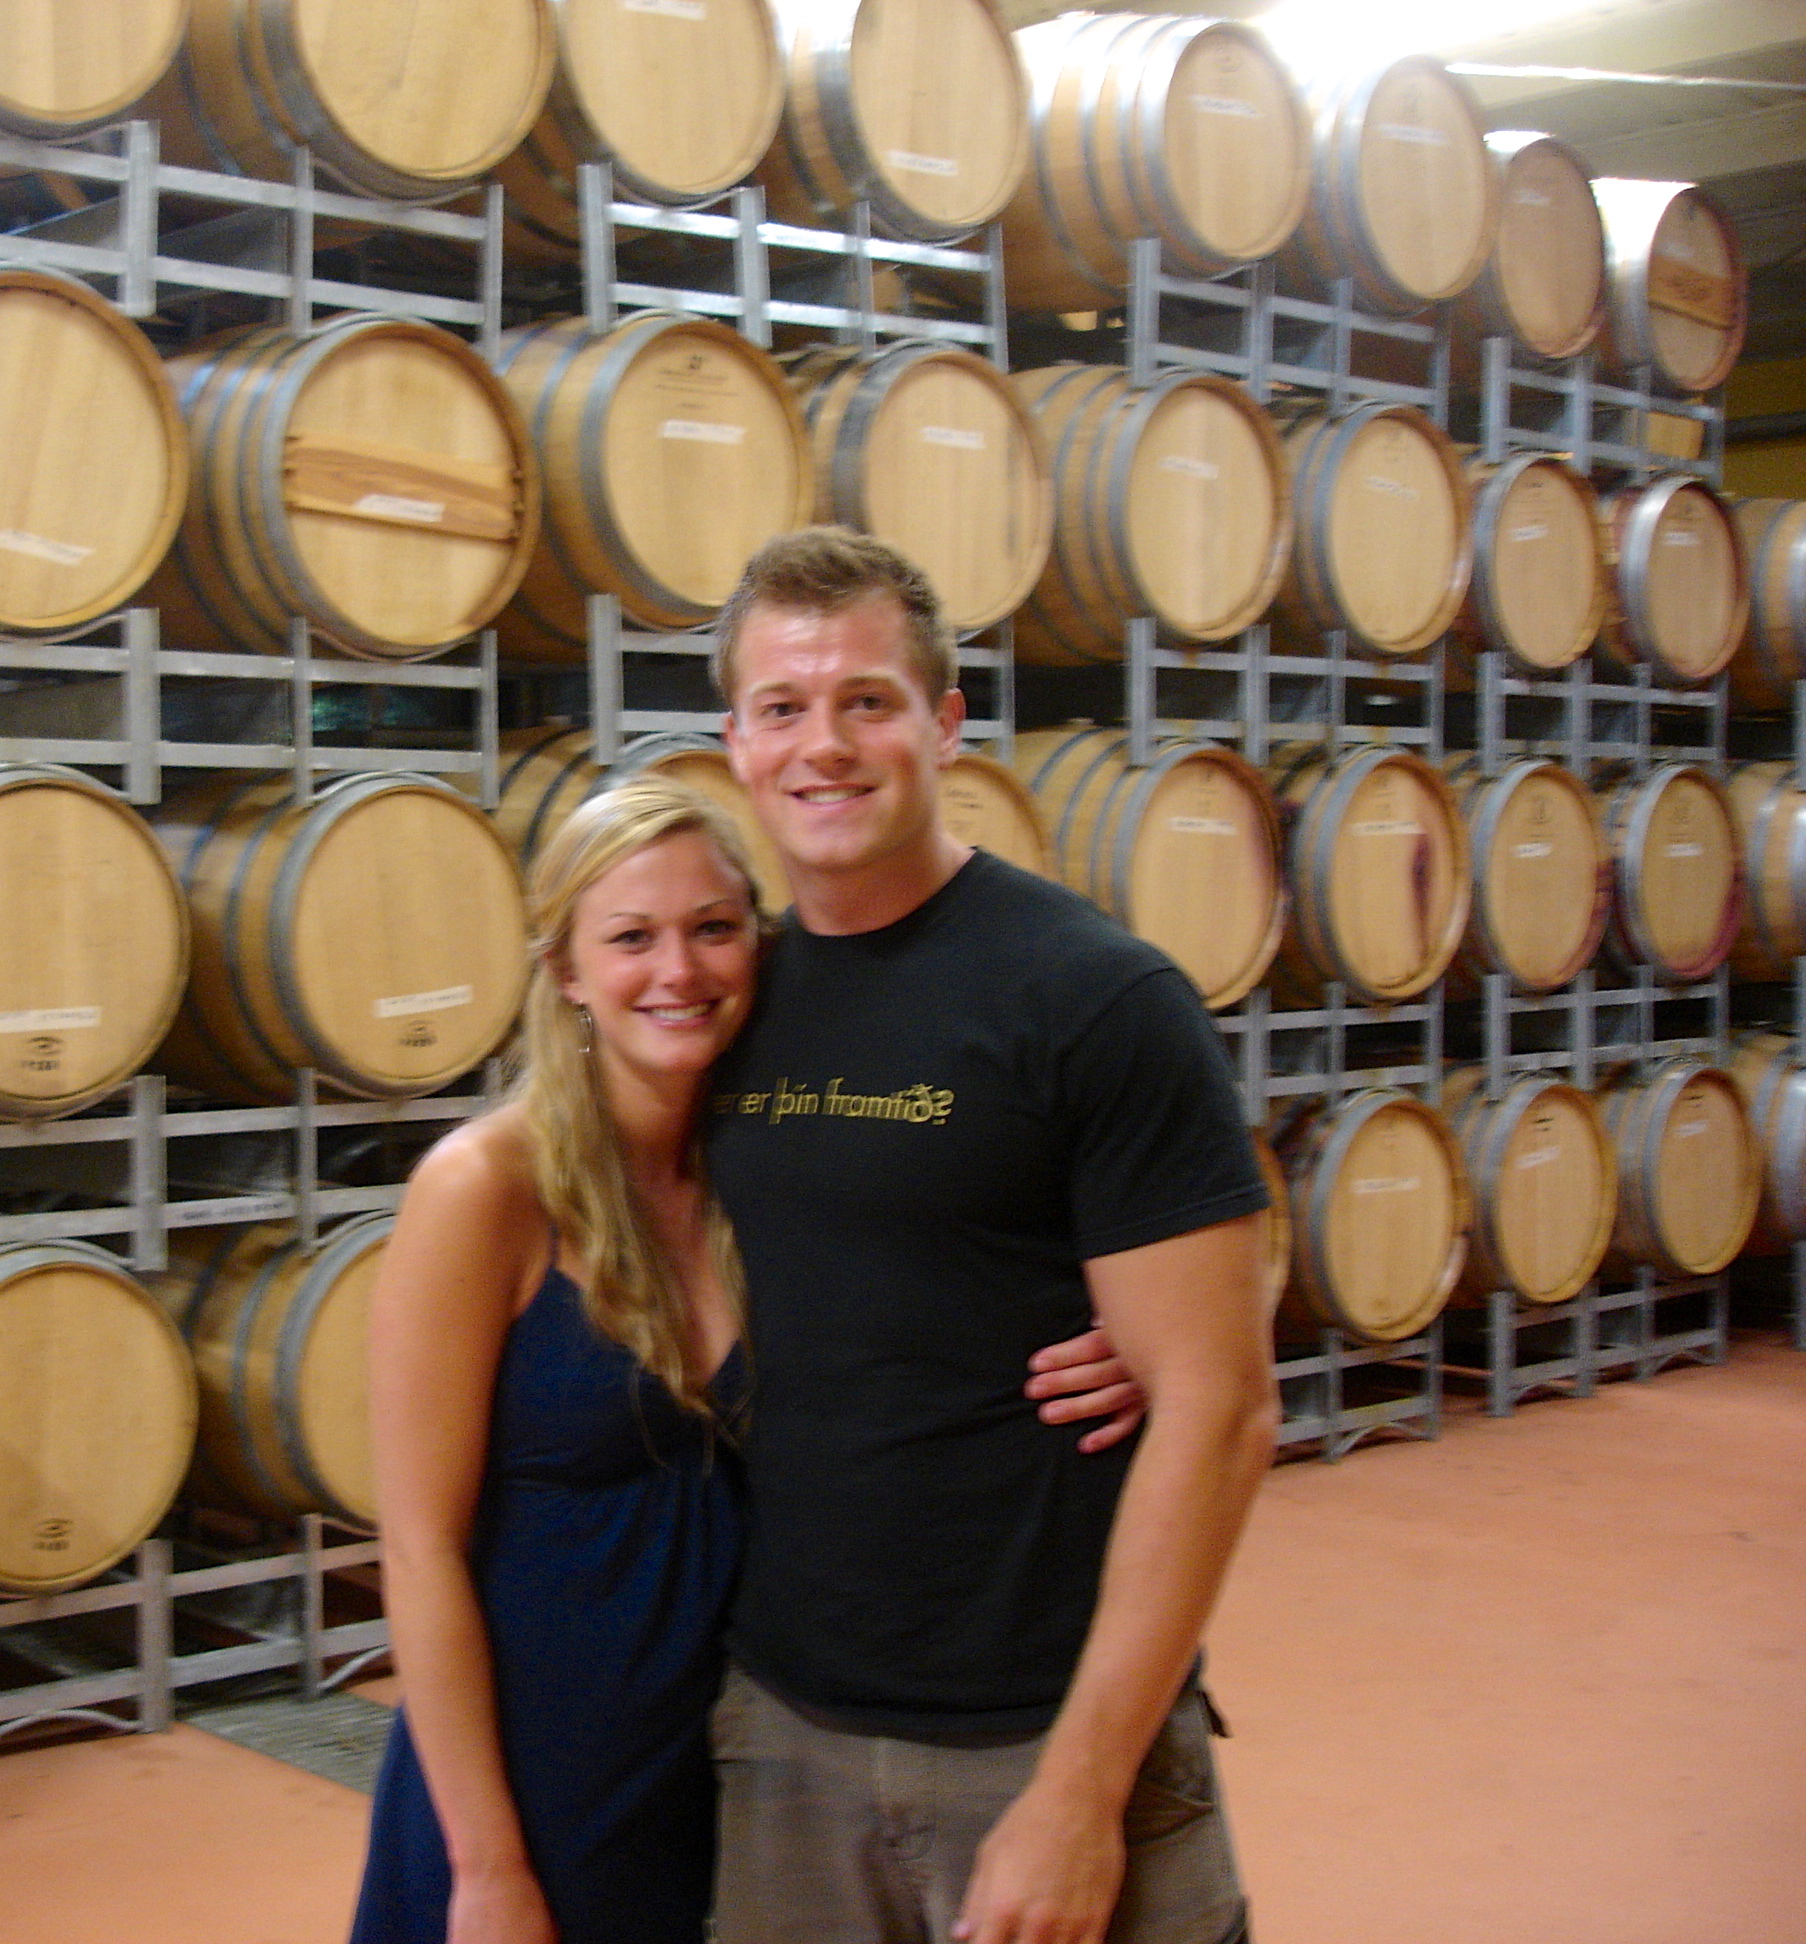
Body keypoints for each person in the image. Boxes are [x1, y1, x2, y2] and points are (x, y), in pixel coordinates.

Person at [347, 776, 1138, 1944]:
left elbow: (931, 1290)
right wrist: (487, 1867)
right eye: (631, 937)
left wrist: (1125, 1340)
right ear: (565, 970)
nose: (679, 970)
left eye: (714, 928)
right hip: (535, 1771)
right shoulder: (485, 1189)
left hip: (727, 1765)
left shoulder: (762, 1165)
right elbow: (418, 1551)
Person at [705, 527, 1279, 1944]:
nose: (823, 745)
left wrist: (1082, 1789)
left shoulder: (1093, 997)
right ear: (735, 744)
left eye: (868, 701)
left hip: (1040, 1732)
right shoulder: (727, 1003)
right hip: (781, 1727)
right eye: (782, 707)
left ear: (945, 724)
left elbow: (1221, 1409)